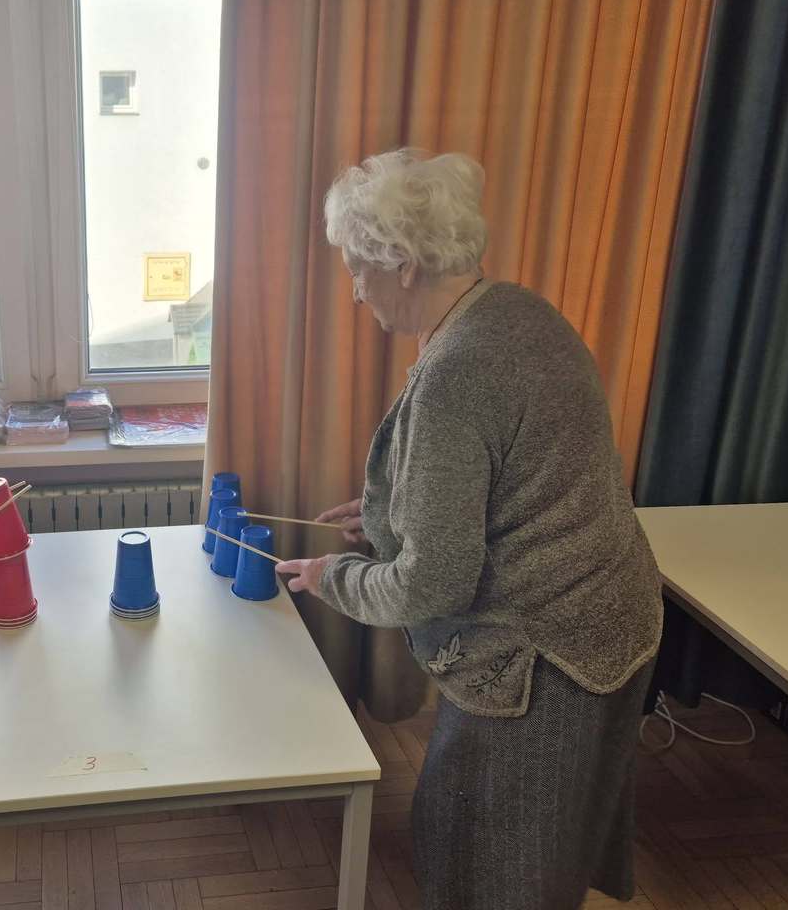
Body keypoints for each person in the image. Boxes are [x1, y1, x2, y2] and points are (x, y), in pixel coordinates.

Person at [276, 150, 663, 909]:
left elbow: (433, 584)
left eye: (358, 270)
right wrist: (392, 515)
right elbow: (509, 482)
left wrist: (334, 580)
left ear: (402, 263)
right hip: (614, 610)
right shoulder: (518, 312)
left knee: (495, 860)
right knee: (546, 839)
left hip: (547, 649)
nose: (355, 292)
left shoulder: (455, 370)